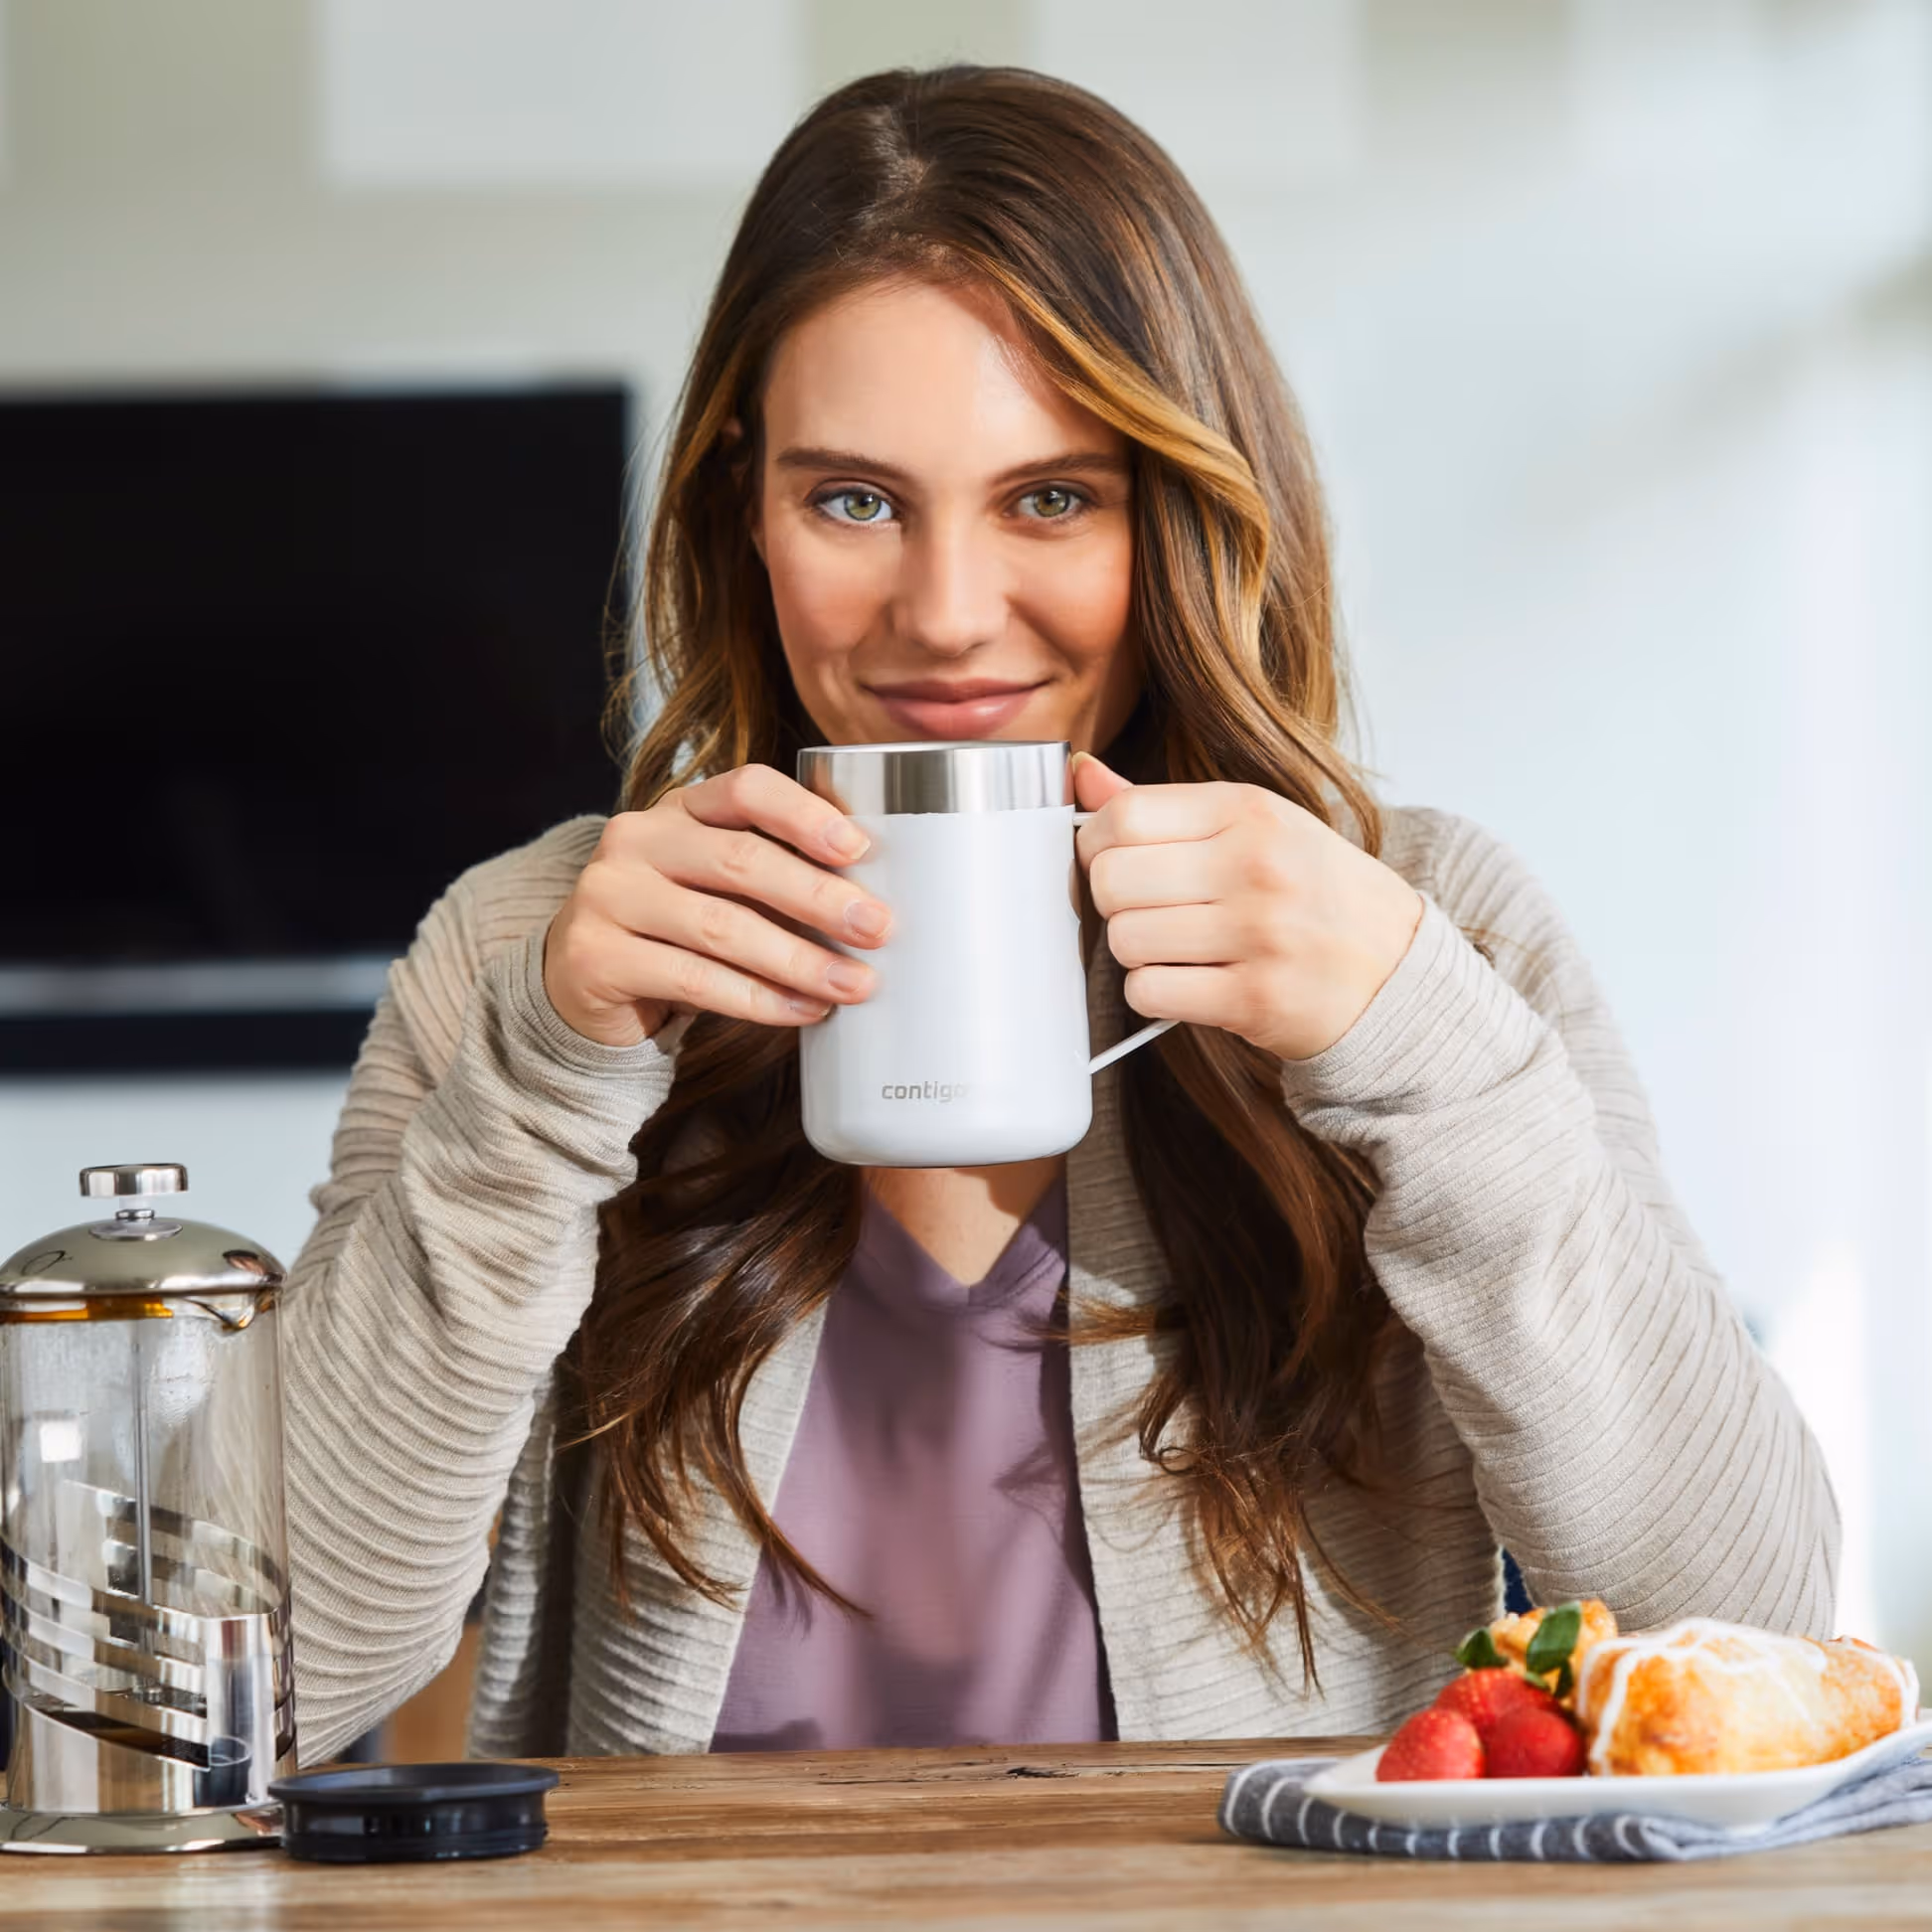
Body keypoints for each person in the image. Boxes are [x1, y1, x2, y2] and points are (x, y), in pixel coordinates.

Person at [283, 66, 1837, 1762]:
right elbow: (261, 1691)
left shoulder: (1425, 928)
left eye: (1053, 497)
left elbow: (1754, 1625)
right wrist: (542, 1081)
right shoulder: (539, 950)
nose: (947, 619)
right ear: (746, 505)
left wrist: (1425, 1048)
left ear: (1178, 508)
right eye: (853, 499)